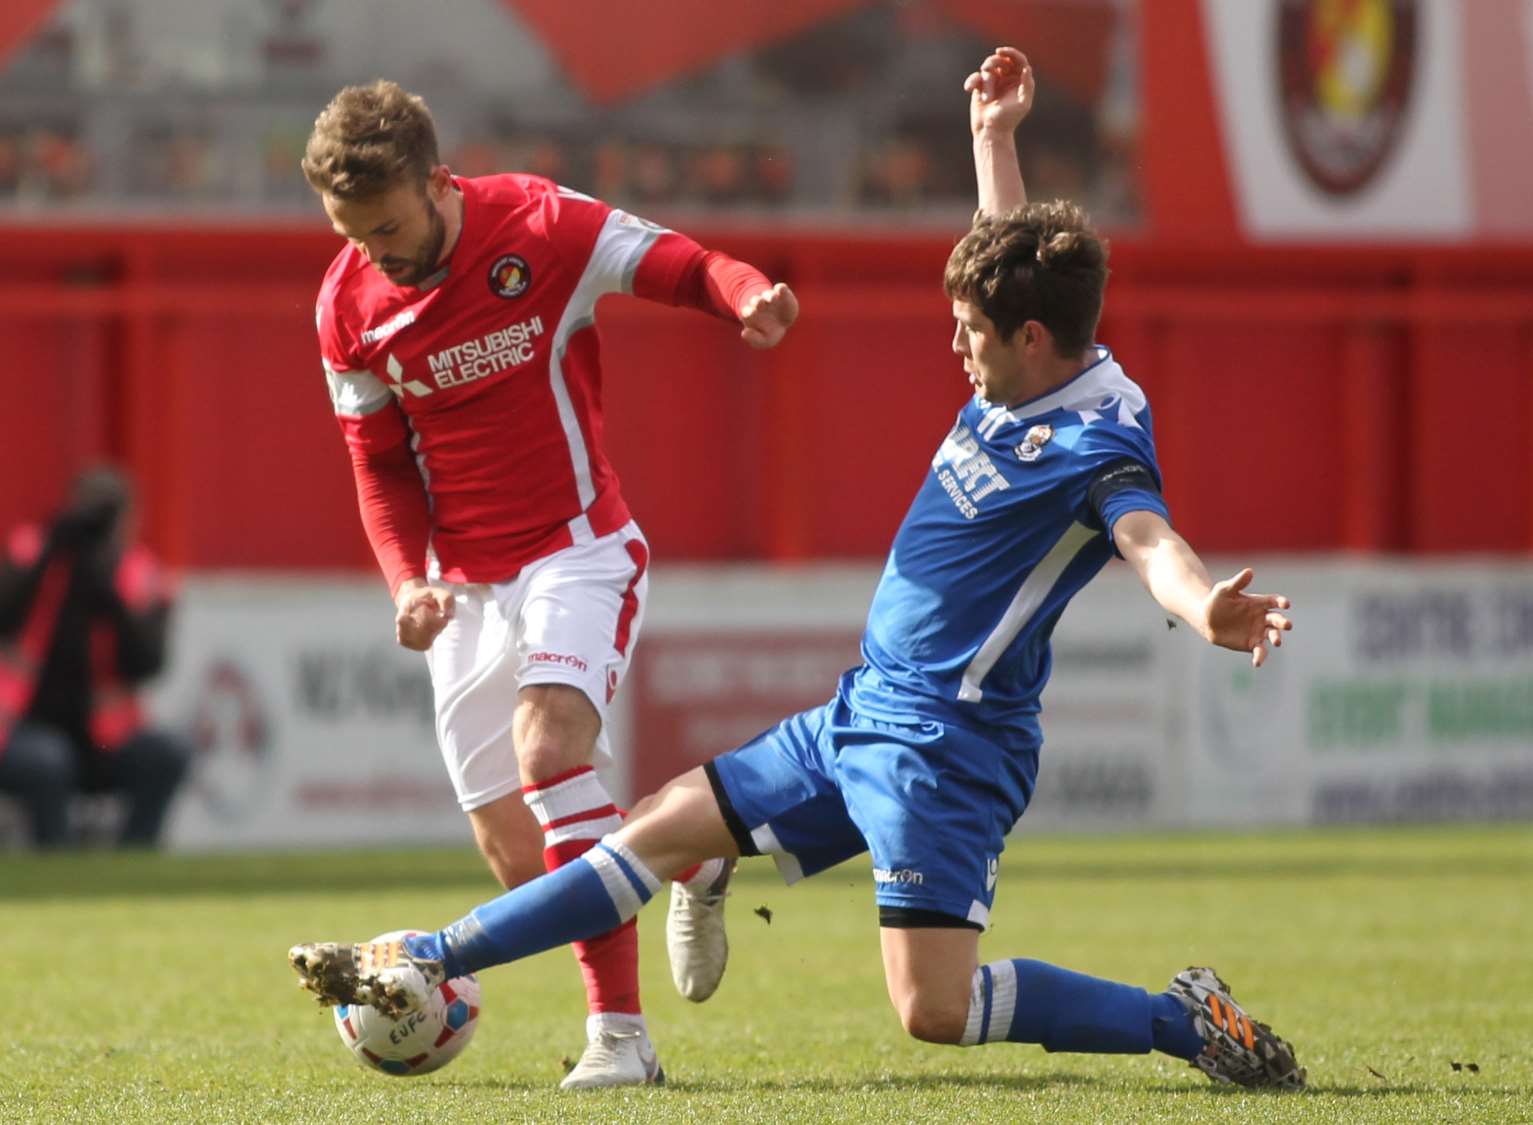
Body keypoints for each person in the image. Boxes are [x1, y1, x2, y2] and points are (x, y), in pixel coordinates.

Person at [290, 48, 1305, 1091]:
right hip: (865, 710)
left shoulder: (1100, 451)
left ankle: (1179, 1021)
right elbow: (1001, 259)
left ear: (1031, 339)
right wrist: (992, 139)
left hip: (948, 750)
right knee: (642, 837)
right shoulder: (1027, 358)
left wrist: (1206, 607)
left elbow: (1150, 545)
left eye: (970, 336)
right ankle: (427, 954)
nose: (957, 352)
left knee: (934, 1010)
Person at [300, 81, 799, 1089]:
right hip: (463, 591)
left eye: (389, 226)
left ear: (439, 182)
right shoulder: (346, 304)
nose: (377, 254)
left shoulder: (540, 223)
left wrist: (747, 294)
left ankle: (621, 1042)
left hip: (580, 548)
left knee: (549, 746)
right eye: (354, 235)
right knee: (524, 862)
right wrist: (407, 583)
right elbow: (379, 466)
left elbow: (679, 263)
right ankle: (692, 857)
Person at [0, 468, 191, 849]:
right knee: (48, 761)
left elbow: (148, 662)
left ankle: (133, 861)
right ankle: (55, 864)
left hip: (104, 735)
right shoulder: (33, 552)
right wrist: (54, 555)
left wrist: (108, 594)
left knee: (167, 753)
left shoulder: (139, 574)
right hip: (20, 724)